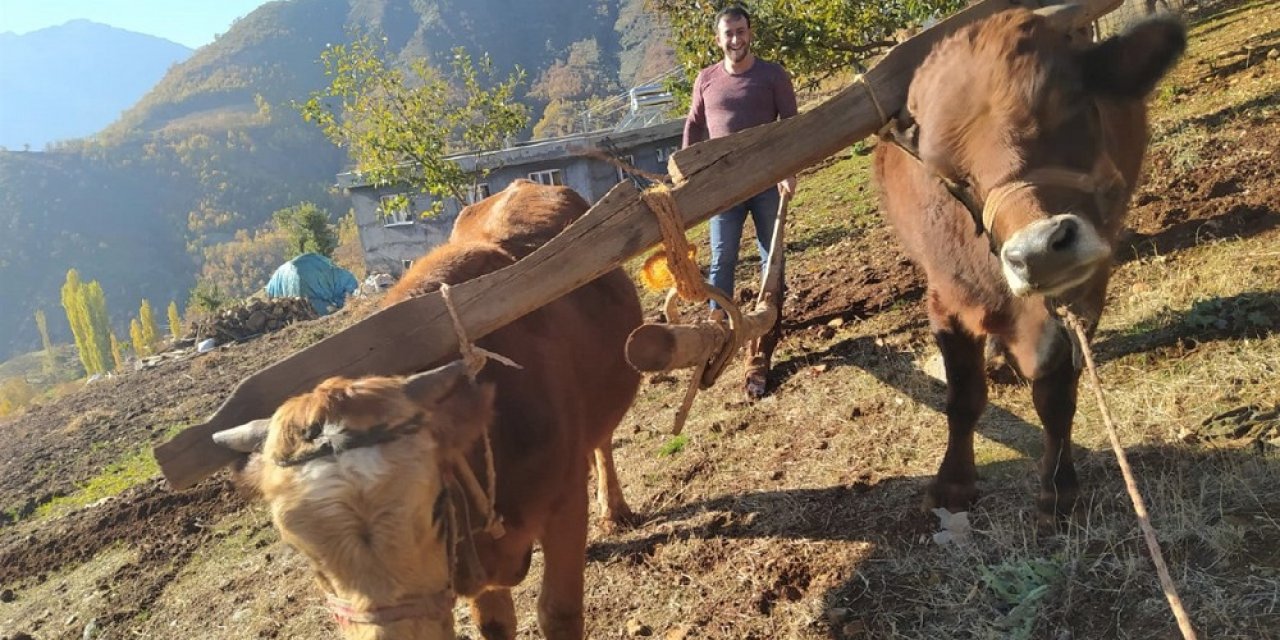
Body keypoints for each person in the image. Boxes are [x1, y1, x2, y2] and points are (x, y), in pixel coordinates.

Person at [682, 3, 797, 398]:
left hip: (767, 185)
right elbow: (694, 125)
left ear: (750, 34)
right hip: (724, 191)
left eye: (741, 31)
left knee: (771, 260)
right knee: (722, 261)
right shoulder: (706, 79)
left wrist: (789, 170)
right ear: (718, 39)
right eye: (728, 33)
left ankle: (761, 349)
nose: (736, 39)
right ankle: (716, 335)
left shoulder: (772, 75)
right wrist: (688, 174)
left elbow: (792, 127)